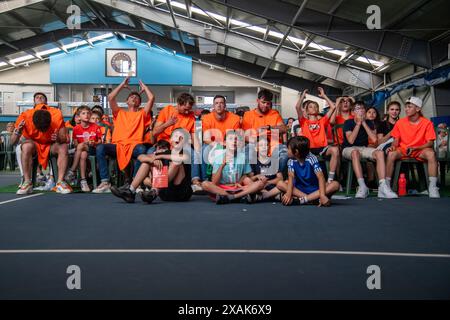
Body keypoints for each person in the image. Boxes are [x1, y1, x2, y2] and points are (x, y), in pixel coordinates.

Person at [92, 77, 153, 193]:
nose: (134, 98)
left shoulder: (142, 114)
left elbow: (152, 98)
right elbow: (110, 97)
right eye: (131, 97)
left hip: (134, 146)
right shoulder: (119, 113)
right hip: (118, 145)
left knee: (142, 148)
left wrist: (145, 88)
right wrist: (121, 85)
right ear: (127, 101)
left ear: (140, 103)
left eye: (137, 98)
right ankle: (105, 182)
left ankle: (136, 182)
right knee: (100, 148)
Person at [110, 128, 193, 203]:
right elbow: (140, 157)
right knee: (147, 162)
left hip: (181, 193)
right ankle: (131, 191)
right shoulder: (164, 152)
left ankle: (154, 191)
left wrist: (158, 156)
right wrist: (152, 160)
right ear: (170, 140)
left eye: (181, 137)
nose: (178, 139)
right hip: (165, 192)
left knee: (176, 162)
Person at [11, 103, 72, 194]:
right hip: (34, 144)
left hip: (51, 145)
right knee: (26, 146)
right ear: (33, 122)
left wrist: (58, 138)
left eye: (45, 128)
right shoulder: (25, 117)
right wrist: (17, 132)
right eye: (40, 128)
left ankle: (60, 182)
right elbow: (13, 142)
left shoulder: (57, 116)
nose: (42, 131)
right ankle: (27, 182)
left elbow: (65, 139)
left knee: (63, 147)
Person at [386, 96, 440, 198]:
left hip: (420, 150)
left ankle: (433, 187)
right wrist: (392, 147)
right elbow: (396, 141)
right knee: (391, 154)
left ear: (418, 109)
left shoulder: (427, 123)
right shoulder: (400, 122)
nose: (406, 109)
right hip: (403, 149)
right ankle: (387, 187)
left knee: (431, 154)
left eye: (409, 107)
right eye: (406, 107)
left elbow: (430, 143)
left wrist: (416, 148)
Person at [342, 101, 398, 199]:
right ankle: (362, 186)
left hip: (364, 148)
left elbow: (374, 139)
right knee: (355, 152)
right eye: (358, 109)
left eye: (362, 108)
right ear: (353, 112)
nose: (361, 111)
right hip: (348, 149)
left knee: (380, 153)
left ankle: (383, 186)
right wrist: (358, 124)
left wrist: (363, 123)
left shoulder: (368, 123)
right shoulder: (348, 122)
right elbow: (350, 141)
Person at [191, 95, 241, 192]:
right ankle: (203, 180)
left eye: (221, 103)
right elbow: (206, 139)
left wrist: (227, 145)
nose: (219, 105)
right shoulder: (207, 118)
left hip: (230, 145)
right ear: (213, 106)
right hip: (214, 145)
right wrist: (220, 145)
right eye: (216, 103)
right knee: (203, 148)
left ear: (225, 105)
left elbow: (237, 137)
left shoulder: (234, 118)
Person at [201, 130, 266, 204]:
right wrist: (222, 165)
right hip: (222, 188)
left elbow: (247, 175)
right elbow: (214, 183)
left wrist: (240, 181)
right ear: (225, 143)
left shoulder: (243, 157)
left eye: (236, 139)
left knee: (259, 183)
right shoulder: (218, 158)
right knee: (205, 184)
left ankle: (231, 197)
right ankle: (238, 196)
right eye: (231, 139)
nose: (234, 141)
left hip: (238, 187)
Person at [276, 136, 340, 206]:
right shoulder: (291, 161)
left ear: (296, 152)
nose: (287, 151)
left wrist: (322, 195)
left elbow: (320, 177)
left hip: (316, 190)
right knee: (280, 184)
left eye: (288, 149)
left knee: (335, 185)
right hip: (300, 190)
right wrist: (288, 193)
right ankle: (313, 199)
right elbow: (291, 177)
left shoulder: (312, 158)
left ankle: (302, 200)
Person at [294, 88, 340, 184]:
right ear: (306, 111)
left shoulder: (322, 121)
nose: (313, 108)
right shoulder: (303, 121)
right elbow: (297, 107)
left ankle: (330, 179)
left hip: (322, 148)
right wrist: (303, 96)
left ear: (318, 109)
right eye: (310, 106)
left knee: (335, 150)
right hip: (308, 149)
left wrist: (324, 96)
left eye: (315, 106)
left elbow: (333, 107)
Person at [242, 89, 288, 174]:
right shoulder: (248, 115)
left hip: (274, 144)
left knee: (285, 154)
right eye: (263, 102)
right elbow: (245, 135)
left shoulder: (275, 114)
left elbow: (284, 129)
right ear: (257, 101)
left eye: (268, 103)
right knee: (246, 152)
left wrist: (269, 127)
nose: (265, 105)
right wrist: (258, 142)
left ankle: (275, 175)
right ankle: (253, 177)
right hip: (256, 143)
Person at [65, 106, 102, 192]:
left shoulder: (95, 127)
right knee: (83, 154)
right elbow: (76, 144)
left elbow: (100, 141)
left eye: (88, 113)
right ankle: (83, 181)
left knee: (81, 147)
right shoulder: (76, 129)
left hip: (93, 149)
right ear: (78, 116)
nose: (87, 115)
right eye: (83, 113)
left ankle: (72, 170)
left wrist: (94, 143)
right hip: (82, 150)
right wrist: (85, 144)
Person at [248, 136, 284, 202]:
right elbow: (250, 179)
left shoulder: (274, 160)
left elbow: (280, 178)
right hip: (260, 188)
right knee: (249, 184)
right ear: (256, 148)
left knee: (283, 184)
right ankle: (274, 196)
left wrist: (268, 182)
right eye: (261, 145)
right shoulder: (253, 161)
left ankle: (264, 196)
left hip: (273, 187)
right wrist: (257, 176)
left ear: (269, 147)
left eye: (266, 145)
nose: (264, 147)